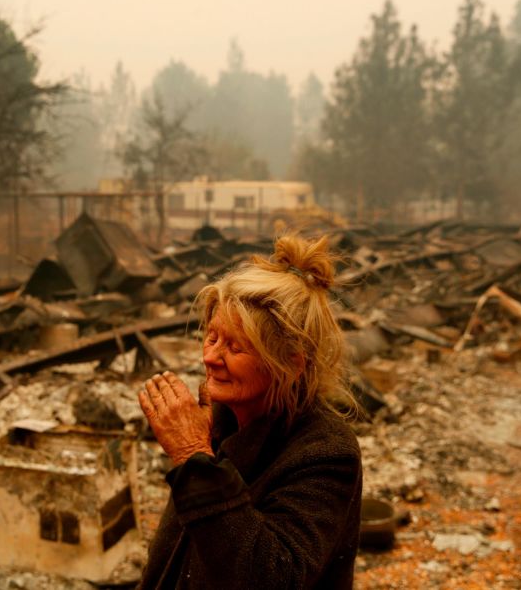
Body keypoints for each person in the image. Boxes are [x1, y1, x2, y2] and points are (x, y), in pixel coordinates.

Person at [137, 234, 363, 589]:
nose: (209, 357)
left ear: (289, 363)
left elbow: (272, 577)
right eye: (212, 338)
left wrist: (194, 457)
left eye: (235, 347)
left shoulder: (325, 453)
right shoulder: (220, 420)